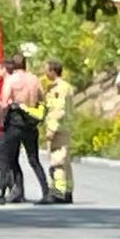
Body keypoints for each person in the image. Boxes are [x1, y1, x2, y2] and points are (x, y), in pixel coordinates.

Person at [0, 59, 41, 203]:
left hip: (14, 122)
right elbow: (41, 98)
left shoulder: (11, 81)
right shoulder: (34, 79)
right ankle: (43, 190)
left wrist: (1, 121)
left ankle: (4, 190)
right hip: (30, 122)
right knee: (33, 159)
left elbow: (4, 103)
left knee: (4, 156)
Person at [38, 58, 80, 203]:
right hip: (62, 128)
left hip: (59, 128)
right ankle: (67, 190)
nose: (45, 72)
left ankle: (58, 192)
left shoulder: (61, 88)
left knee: (58, 161)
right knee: (64, 160)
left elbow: (59, 110)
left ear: (53, 71)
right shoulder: (55, 87)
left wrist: (51, 129)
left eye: (46, 69)